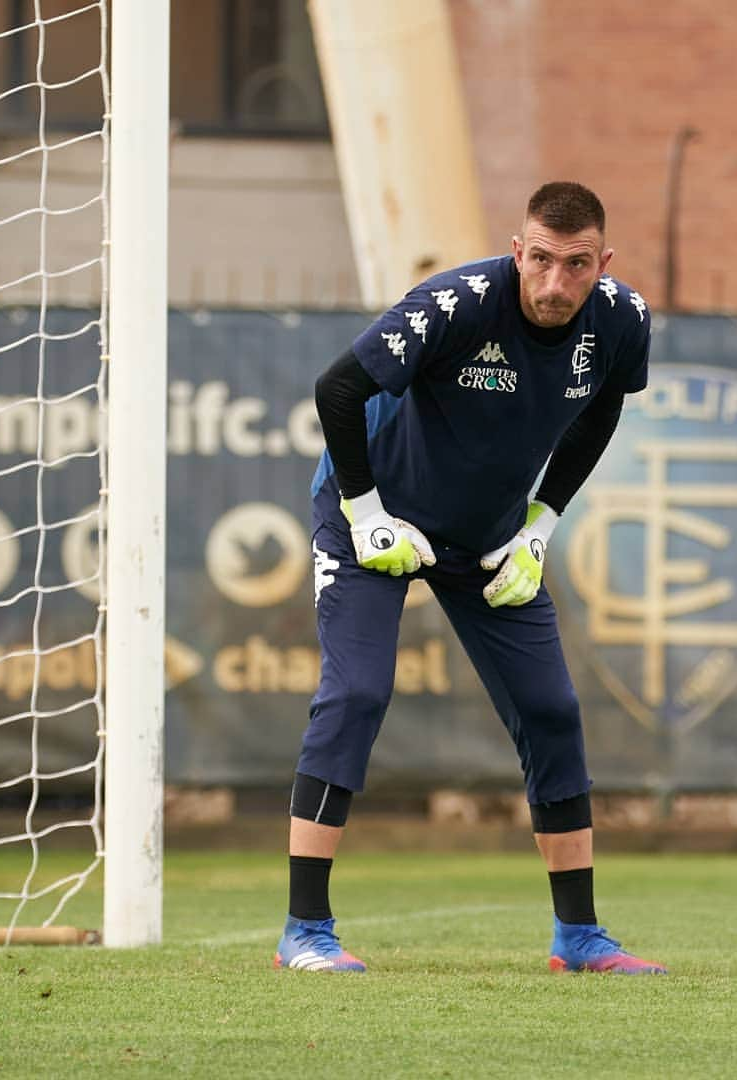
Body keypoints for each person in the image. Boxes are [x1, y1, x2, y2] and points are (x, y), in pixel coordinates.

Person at [274, 181, 666, 975]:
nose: (557, 285)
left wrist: (542, 526)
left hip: (488, 537)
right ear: (519, 251)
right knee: (356, 694)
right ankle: (305, 932)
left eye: (578, 265)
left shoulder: (622, 320)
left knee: (551, 708)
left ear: (603, 263)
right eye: (543, 261)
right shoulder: (454, 304)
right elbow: (337, 390)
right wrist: (366, 511)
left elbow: (601, 412)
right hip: (376, 522)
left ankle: (579, 938)